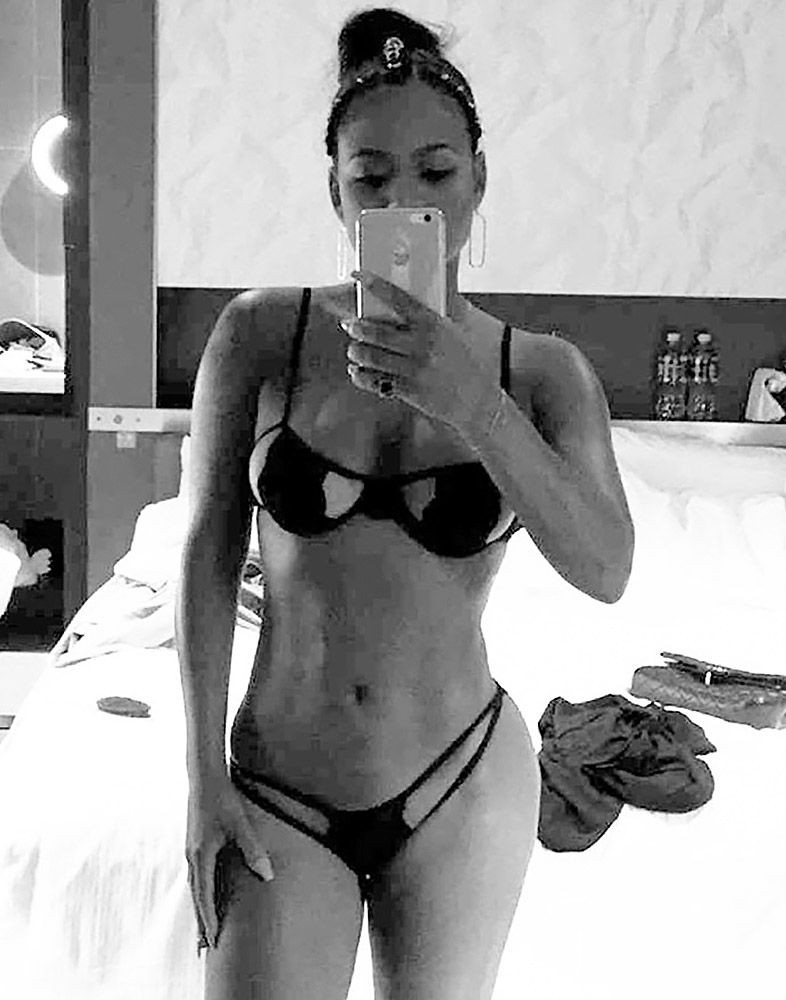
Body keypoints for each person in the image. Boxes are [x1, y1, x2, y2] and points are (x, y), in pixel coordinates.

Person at [175, 7, 635, 999]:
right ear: (333, 189)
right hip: (278, 781)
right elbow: (204, 554)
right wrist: (200, 777)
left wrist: (475, 405)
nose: (404, 202)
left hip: (461, 778)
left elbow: (606, 569)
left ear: (479, 178)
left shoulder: (541, 373)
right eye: (370, 178)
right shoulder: (260, 335)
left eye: (435, 172)